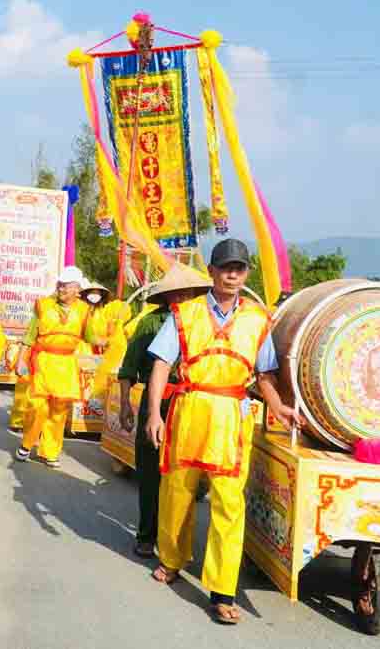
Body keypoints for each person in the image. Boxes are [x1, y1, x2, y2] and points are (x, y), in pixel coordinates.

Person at [145, 239, 300, 625]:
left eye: (240, 268)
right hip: (189, 410)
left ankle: (221, 590)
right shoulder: (184, 314)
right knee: (178, 490)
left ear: (246, 274)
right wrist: (154, 414)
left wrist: (278, 405)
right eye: (225, 267)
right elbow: (162, 364)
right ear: (211, 272)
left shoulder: (257, 319)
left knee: (229, 504)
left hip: (232, 415)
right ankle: (171, 558)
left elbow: (264, 375)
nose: (232, 274)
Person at [117, 262, 211, 559]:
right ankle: (146, 534)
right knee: (150, 472)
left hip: (193, 402)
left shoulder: (206, 323)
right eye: (177, 294)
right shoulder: (150, 324)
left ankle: (175, 541)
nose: (182, 299)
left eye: (188, 293)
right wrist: (124, 405)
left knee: (185, 474)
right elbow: (129, 367)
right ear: (168, 297)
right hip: (158, 400)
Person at [15, 265, 98, 468]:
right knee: (37, 406)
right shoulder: (43, 305)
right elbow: (29, 335)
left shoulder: (85, 310)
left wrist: (108, 338)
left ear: (77, 289)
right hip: (43, 361)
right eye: (59, 285)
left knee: (59, 409)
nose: (60, 289)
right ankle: (27, 443)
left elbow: (89, 337)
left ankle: (50, 451)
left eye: (66, 286)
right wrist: (20, 360)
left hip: (67, 365)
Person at [82, 282, 131, 355]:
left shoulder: (105, 311)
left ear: (101, 295)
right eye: (92, 293)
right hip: (84, 350)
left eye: (97, 293)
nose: (94, 296)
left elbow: (111, 330)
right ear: (86, 295)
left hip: (102, 350)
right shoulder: (82, 309)